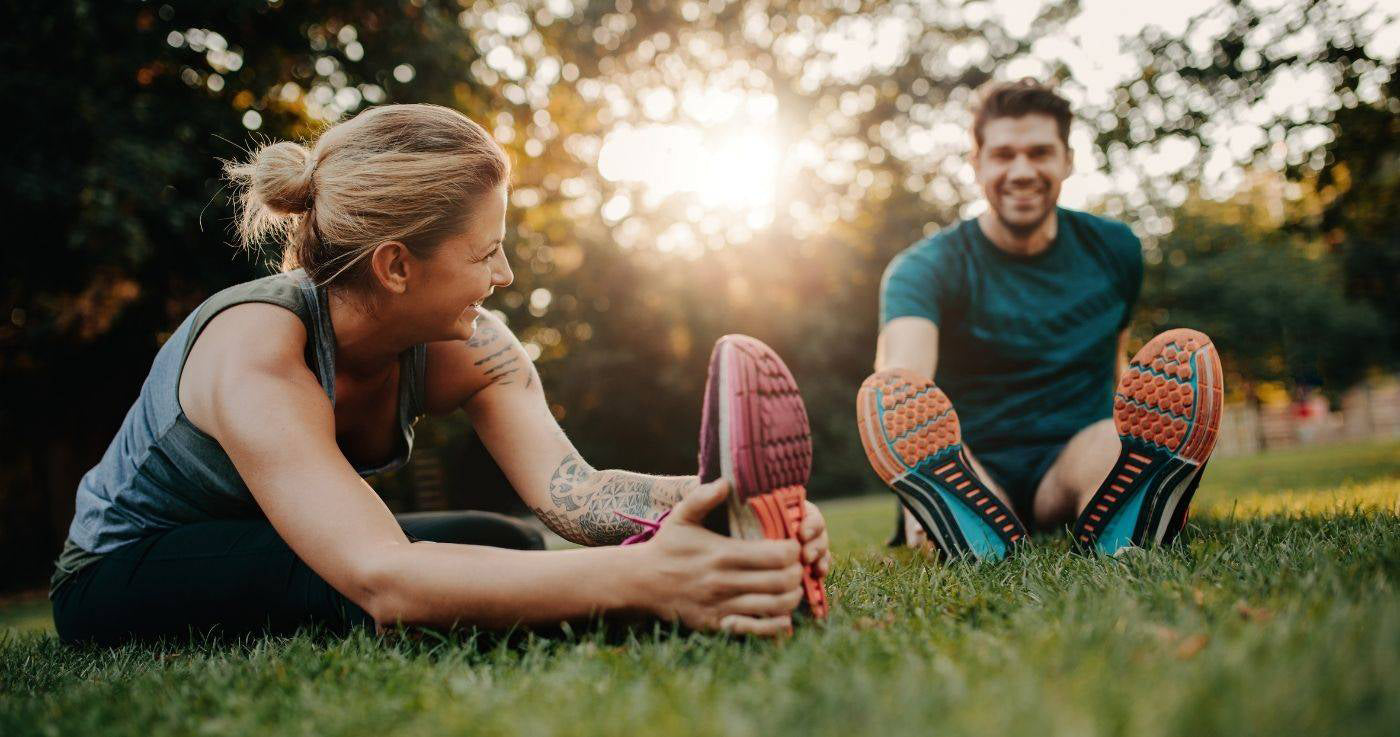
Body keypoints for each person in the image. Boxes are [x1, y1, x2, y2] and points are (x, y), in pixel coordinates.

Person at [50, 103, 830, 646]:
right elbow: (385, 576)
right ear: (396, 265)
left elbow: (578, 495)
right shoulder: (258, 348)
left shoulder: (472, 345)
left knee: (508, 544)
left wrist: (724, 505)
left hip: (273, 541)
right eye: (485, 252)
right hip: (126, 568)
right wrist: (649, 581)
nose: (508, 272)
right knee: (360, 589)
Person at [857, 79, 1222, 559]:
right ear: (977, 164)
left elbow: (1114, 360)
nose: (1022, 170)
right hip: (973, 459)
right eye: (1004, 154)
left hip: (1073, 455)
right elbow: (902, 385)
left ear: (1068, 160)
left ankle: (1133, 509)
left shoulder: (1115, 250)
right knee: (951, 464)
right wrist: (907, 472)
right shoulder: (924, 267)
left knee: (1111, 449)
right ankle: (945, 512)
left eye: (1040, 153)